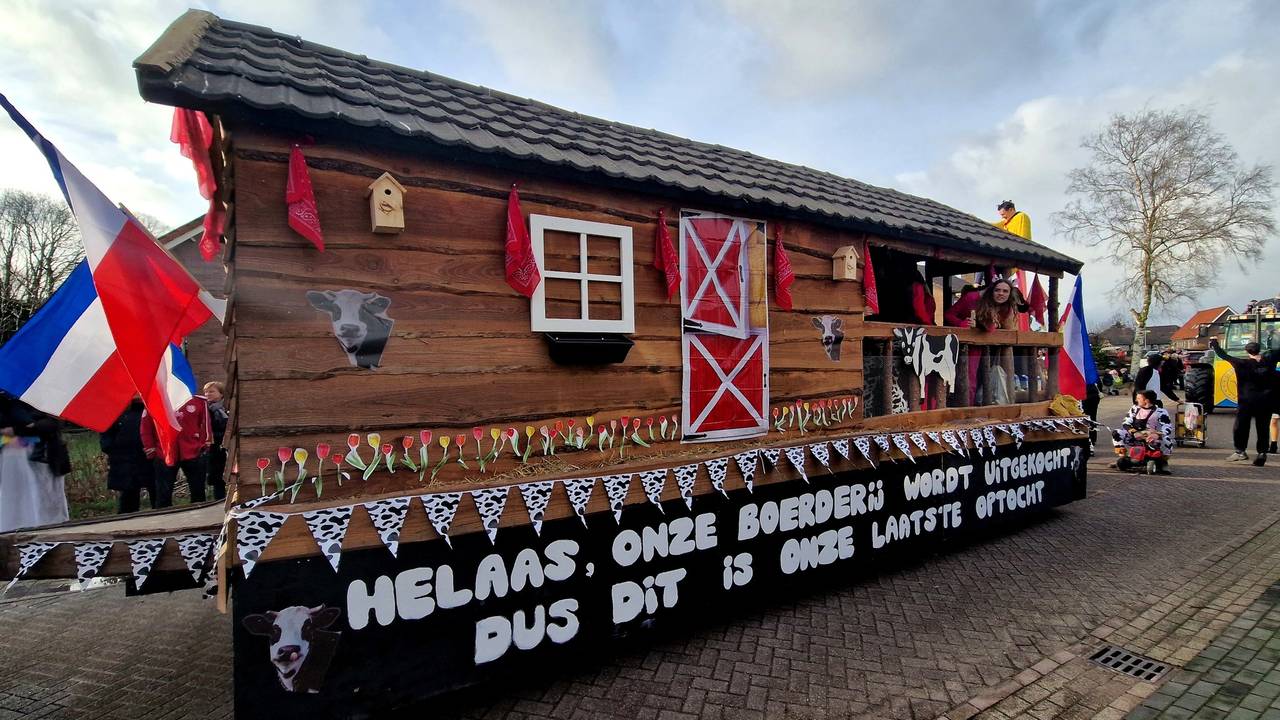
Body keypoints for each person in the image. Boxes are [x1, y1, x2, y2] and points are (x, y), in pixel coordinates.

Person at [0, 392, 70, 532]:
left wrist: (19, 430)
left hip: (45, 457)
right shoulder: (6, 401)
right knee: (16, 501)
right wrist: (28, 427)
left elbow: (53, 423)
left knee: (46, 502)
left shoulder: (42, 393)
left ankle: (49, 533)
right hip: (11, 460)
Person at [1210, 337, 1280, 465]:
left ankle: (1240, 451)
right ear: (1260, 350)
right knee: (1263, 427)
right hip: (1266, 400)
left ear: (1247, 351)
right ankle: (1262, 452)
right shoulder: (1270, 361)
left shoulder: (1241, 363)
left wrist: (1214, 343)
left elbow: (1223, 355)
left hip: (1246, 400)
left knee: (1241, 426)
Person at [141, 394, 212, 507]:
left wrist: (203, 445)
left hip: (192, 451)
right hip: (164, 453)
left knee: (198, 492)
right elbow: (146, 427)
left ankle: (199, 519)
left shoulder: (198, 401)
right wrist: (151, 449)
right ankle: (163, 521)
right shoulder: (154, 400)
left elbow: (205, 425)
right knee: (163, 494)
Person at [100, 396, 154, 514]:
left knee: (156, 496)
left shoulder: (151, 412)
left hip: (148, 459)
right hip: (126, 461)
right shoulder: (117, 415)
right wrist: (115, 450)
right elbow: (106, 439)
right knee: (129, 499)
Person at [1113, 389, 1175, 472]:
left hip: (1151, 437)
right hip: (1135, 435)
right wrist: (1134, 432)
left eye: (1138, 398)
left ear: (1146, 400)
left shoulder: (1161, 412)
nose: (1136, 400)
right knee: (1117, 433)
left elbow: (1167, 427)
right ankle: (1122, 458)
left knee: (1167, 440)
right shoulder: (1135, 409)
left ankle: (1163, 462)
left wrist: (1157, 435)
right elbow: (1126, 422)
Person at [204, 381, 229, 501]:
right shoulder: (205, 409)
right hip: (214, 447)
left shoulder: (226, 408)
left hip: (226, 444)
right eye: (206, 392)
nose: (208, 394)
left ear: (221, 394)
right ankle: (219, 499)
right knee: (216, 475)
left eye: (211, 391)